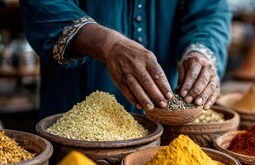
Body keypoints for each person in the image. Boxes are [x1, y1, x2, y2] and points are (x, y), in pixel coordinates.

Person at [19, 1, 231, 118]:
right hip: (71, 116)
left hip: (165, 129)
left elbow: (209, 10)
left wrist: (201, 52)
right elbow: (42, 5)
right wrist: (108, 45)